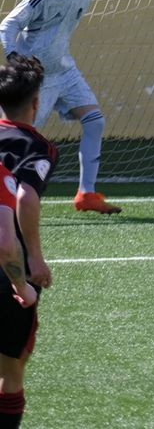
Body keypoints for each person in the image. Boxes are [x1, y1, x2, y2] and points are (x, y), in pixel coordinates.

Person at [0, 0, 118, 214]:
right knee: (18, 136)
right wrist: (15, 58)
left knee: (95, 121)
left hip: (65, 71)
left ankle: (86, 195)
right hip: (38, 76)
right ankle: (6, 196)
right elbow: (8, 25)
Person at [0, 54, 48, 428]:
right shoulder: (35, 145)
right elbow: (24, 198)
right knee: (11, 370)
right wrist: (34, 259)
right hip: (7, 273)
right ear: (35, 102)